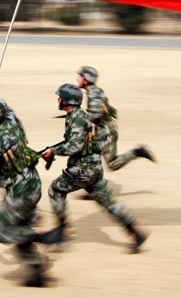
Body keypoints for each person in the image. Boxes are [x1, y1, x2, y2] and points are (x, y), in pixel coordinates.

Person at [40, 83, 148, 253]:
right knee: (108, 202)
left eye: (60, 97)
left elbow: (75, 146)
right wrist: (52, 149)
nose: (58, 100)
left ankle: (61, 230)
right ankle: (136, 232)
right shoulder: (78, 115)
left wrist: (54, 151)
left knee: (56, 189)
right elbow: (74, 141)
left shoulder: (76, 118)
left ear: (67, 100)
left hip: (82, 169)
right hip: (93, 168)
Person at [0, 94, 47, 287]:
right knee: (19, 227)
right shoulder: (10, 124)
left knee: (2, 229)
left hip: (20, 190)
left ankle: (42, 237)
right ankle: (36, 269)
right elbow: (8, 112)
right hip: (31, 183)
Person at [76, 66, 155, 171]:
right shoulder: (94, 91)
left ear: (86, 79)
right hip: (105, 129)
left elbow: (95, 114)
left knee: (108, 163)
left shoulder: (94, 93)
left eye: (80, 77)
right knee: (87, 157)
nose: (77, 79)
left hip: (105, 131)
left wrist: (77, 118)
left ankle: (138, 152)